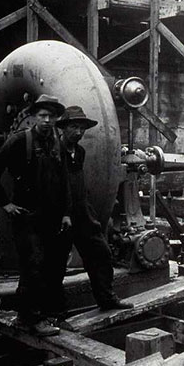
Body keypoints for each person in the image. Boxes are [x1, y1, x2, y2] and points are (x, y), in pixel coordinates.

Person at [0, 95, 70, 336]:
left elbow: (65, 182)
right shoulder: (19, 141)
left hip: (52, 217)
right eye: (42, 115)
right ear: (34, 116)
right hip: (27, 218)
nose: (47, 120)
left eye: (51, 116)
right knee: (33, 266)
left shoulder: (57, 143)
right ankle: (30, 318)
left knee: (53, 267)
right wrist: (5, 204)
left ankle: (49, 315)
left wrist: (65, 213)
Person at [52, 106, 132, 314]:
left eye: (82, 128)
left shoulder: (79, 152)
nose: (79, 132)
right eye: (74, 127)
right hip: (60, 215)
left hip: (82, 213)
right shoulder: (54, 151)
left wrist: (88, 213)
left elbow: (78, 183)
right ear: (63, 128)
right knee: (56, 264)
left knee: (101, 254)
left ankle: (106, 298)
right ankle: (57, 313)